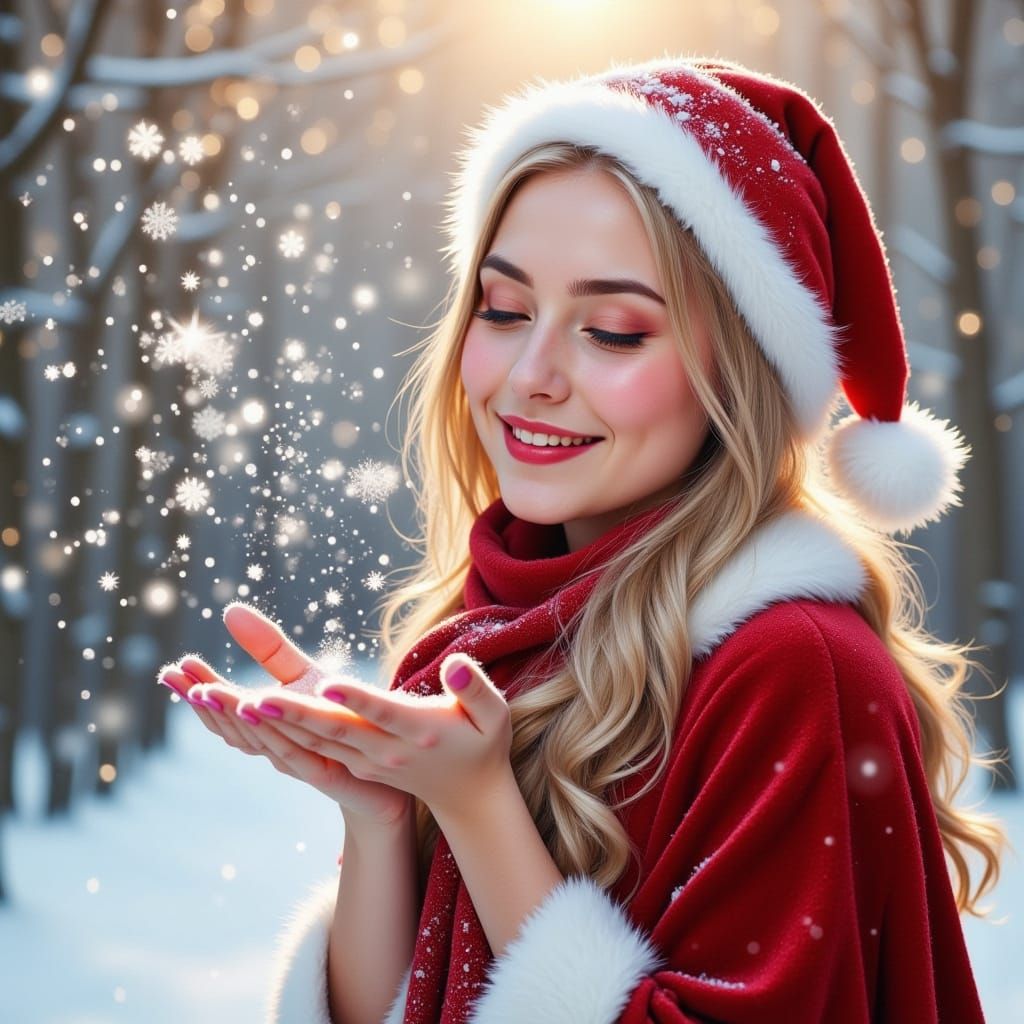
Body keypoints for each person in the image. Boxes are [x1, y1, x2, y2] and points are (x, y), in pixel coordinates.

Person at [157, 57, 1008, 1023]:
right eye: (506, 309)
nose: (529, 376)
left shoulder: (794, 670)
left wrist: (479, 808)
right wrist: (381, 811)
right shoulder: (483, 633)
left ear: (741, 374)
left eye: (611, 331)